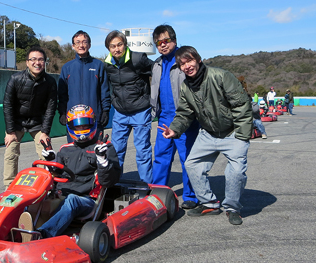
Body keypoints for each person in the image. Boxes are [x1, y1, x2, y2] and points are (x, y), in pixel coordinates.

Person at [159, 46, 253, 225]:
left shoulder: (221, 76)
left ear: (198, 59)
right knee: (192, 164)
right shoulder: (186, 86)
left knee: (236, 173)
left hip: (232, 133)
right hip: (208, 134)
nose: (187, 66)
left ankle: (232, 208)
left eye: (189, 61)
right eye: (182, 64)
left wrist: (242, 136)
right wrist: (174, 129)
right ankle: (209, 203)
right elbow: (184, 113)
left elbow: (241, 105)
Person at [19, 105, 121, 240]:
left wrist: (102, 159)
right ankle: (12, 225)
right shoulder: (65, 149)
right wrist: (52, 160)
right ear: (70, 127)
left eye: (84, 125)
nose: (81, 130)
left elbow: (108, 181)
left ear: (93, 124)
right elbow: (56, 176)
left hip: (86, 200)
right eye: (77, 126)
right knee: (32, 195)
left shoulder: (104, 148)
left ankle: (42, 235)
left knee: (71, 200)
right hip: (60, 195)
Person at [150, 25, 200, 209]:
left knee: (188, 158)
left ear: (174, 40)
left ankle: (191, 196)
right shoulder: (156, 64)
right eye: (158, 43)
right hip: (164, 118)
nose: (162, 45)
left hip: (185, 118)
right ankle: (158, 193)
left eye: (166, 41)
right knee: (161, 156)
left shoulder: (185, 60)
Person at [3, 46, 57, 188]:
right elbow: (7, 105)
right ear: (27, 62)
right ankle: (9, 186)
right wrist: (10, 132)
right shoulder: (15, 79)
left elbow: (51, 109)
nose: (37, 63)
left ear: (45, 62)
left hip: (37, 123)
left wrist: (45, 132)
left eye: (40, 59)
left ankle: (46, 186)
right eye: (33, 59)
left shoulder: (50, 82)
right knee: (11, 153)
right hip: (17, 122)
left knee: (46, 154)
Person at [104, 30, 154, 183]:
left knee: (142, 150)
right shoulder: (107, 65)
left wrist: (154, 99)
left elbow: (158, 72)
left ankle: (147, 185)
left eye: (119, 45)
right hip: (120, 113)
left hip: (141, 110)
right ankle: (115, 183)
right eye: (113, 46)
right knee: (116, 150)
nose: (116, 49)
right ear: (108, 48)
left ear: (125, 45)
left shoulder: (138, 59)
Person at [58, 30, 111, 142]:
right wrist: (62, 113)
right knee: (74, 154)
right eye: (77, 42)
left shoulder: (98, 65)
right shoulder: (67, 67)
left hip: (94, 119)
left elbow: (104, 91)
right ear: (73, 46)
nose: (81, 45)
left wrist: (105, 111)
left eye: (84, 42)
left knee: (96, 153)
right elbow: (62, 94)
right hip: (74, 120)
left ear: (89, 45)